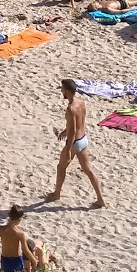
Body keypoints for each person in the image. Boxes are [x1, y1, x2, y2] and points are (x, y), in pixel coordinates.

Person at [48, 79, 104, 207]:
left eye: (62, 89)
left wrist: (68, 149)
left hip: (74, 142)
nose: (61, 91)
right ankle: (100, 199)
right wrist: (65, 131)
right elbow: (78, 123)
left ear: (67, 91)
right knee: (88, 170)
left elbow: (72, 130)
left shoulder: (70, 108)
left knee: (61, 167)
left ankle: (57, 193)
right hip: (83, 139)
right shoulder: (81, 102)